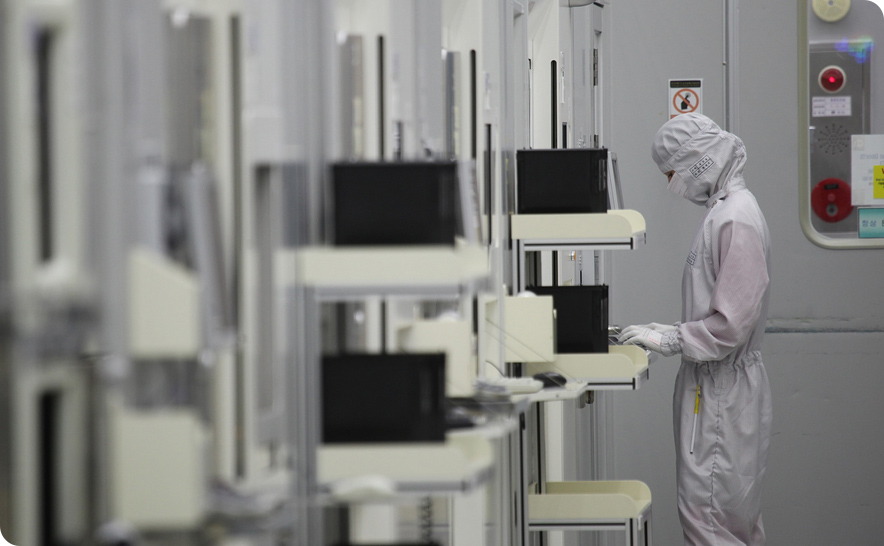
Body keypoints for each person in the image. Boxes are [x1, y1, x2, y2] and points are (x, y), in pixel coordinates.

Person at [619, 113, 773, 546]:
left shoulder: (735, 218)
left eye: (672, 173)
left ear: (696, 161)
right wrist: (671, 329)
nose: (672, 184)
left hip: (721, 390)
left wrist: (673, 338)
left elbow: (730, 325)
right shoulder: (724, 211)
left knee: (710, 524)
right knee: (730, 524)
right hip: (717, 385)